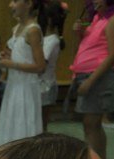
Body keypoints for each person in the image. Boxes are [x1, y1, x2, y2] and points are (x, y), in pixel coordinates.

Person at [69, 0, 114, 159]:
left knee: (91, 124)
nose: (94, 1)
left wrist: (90, 81)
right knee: (91, 125)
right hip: (88, 76)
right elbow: (90, 47)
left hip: (99, 78)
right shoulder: (96, 19)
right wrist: (80, 33)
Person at [0, 0, 46, 148]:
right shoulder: (16, 28)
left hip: (26, 88)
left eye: (15, 1)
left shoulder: (33, 30)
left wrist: (12, 64)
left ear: (28, 4)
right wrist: (7, 56)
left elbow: (40, 66)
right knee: (11, 127)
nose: (11, 5)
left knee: (23, 128)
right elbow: (22, 55)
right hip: (13, 85)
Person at [39, 0, 66, 131]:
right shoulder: (46, 39)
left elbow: (41, 64)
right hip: (41, 84)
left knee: (41, 125)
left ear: (49, 19)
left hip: (45, 85)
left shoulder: (52, 41)